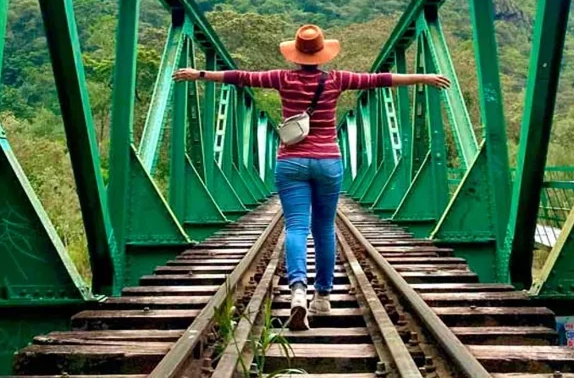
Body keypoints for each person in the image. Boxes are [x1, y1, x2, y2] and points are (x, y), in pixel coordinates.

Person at [174, 24, 450, 331]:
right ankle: (323, 297)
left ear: (295, 54)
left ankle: (298, 292)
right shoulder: (337, 79)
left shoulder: (282, 78)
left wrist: (198, 74)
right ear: (321, 54)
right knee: (324, 228)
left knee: (295, 227)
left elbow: (240, 77)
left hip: (291, 162)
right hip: (328, 162)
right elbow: (379, 80)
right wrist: (424, 78)